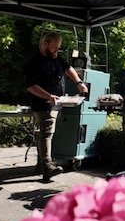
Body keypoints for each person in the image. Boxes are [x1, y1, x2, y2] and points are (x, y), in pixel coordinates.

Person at [23, 31, 88, 181]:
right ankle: (47, 167)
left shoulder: (56, 58)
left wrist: (78, 82)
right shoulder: (32, 63)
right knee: (46, 132)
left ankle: (41, 164)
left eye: (58, 48)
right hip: (42, 103)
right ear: (45, 45)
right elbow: (31, 86)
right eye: (54, 48)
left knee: (45, 133)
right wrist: (48, 96)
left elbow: (68, 68)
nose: (57, 51)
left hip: (57, 103)